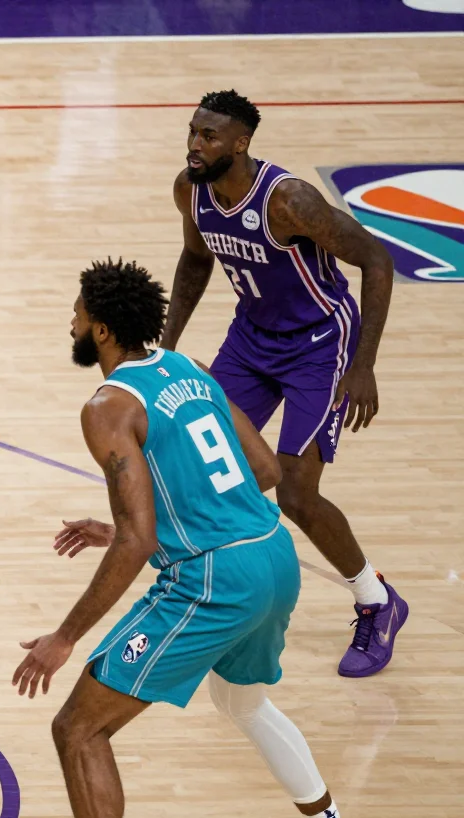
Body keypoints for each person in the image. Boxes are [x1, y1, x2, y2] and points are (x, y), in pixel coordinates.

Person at [14, 260, 380, 818]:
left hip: (216, 580)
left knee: (79, 729)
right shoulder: (190, 369)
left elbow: (138, 542)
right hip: (274, 556)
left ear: (101, 329)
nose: (71, 321)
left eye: (77, 313)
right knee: (244, 702)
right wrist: (140, 526)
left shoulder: (107, 407)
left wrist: (63, 638)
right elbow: (263, 470)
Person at [160, 89, 406, 677]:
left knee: (295, 492)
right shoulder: (190, 190)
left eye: (209, 136)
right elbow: (196, 259)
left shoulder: (289, 201)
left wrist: (364, 364)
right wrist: (166, 345)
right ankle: (223, 599)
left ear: (241, 143)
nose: (195, 144)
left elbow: (377, 261)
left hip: (319, 345)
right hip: (251, 339)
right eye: (193, 131)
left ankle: (377, 601)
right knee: (210, 463)